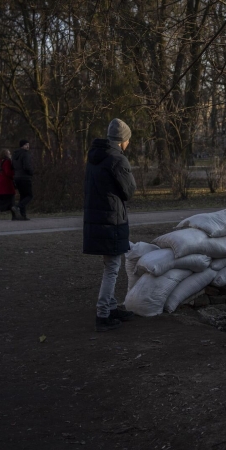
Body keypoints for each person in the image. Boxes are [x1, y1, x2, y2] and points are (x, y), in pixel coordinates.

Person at [83, 118, 137, 332]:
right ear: (123, 140)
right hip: (111, 219)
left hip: (98, 218)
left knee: (110, 265)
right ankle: (103, 313)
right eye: (128, 140)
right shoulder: (117, 159)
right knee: (112, 268)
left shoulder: (95, 157)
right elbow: (129, 191)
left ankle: (112, 306)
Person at [12, 139, 34, 220]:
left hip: (17, 177)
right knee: (29, 195)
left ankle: (22, 215)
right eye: (26, 145)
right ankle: (18, 207)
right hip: (25, 177)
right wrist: (32, 172)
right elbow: (26, 166)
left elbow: (13, 166)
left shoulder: (14, 155)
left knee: (23, 196)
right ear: (22, 146)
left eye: (28, 144)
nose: (28, 146)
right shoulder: (25, 154)